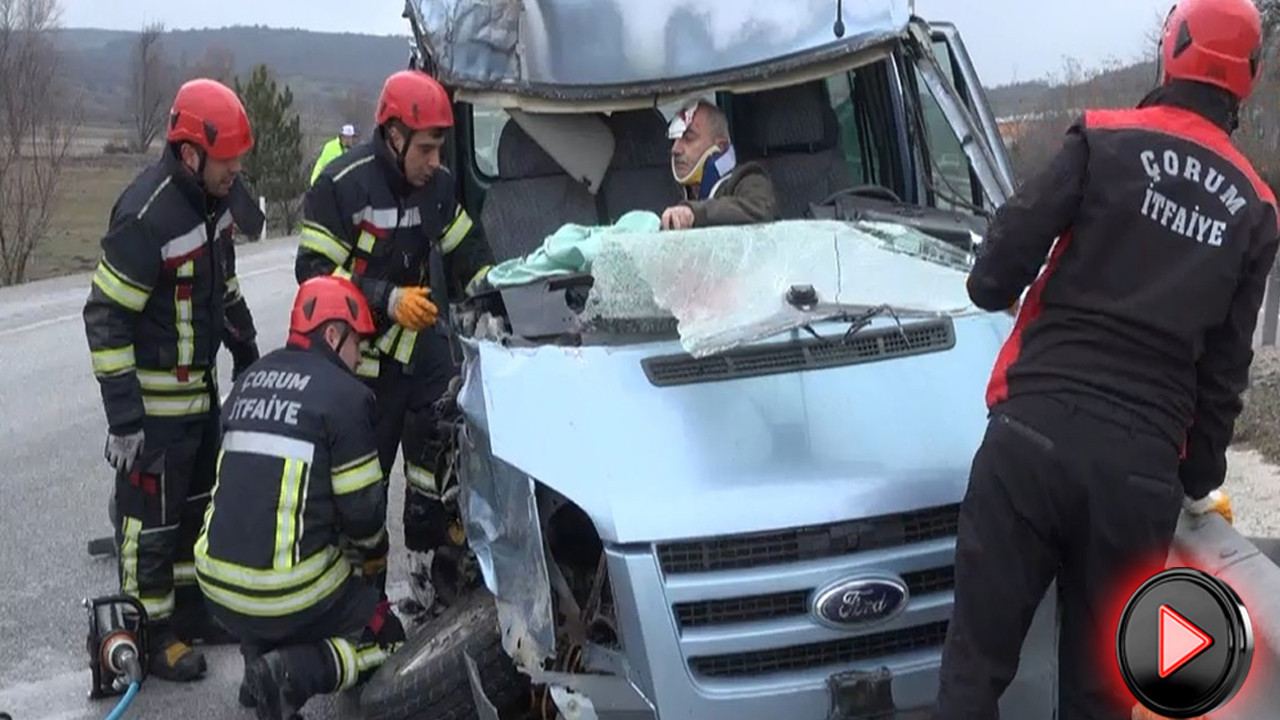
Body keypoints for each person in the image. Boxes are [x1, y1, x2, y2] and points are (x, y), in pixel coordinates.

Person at [931, 0, 1277, 718]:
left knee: (973, 673)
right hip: (1137, 478)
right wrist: (1196, 478)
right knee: (1098, 696)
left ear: (1169, 50)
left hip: (1027, 443)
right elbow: (1222, 376)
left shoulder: (1101, 140)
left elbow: (992, 274)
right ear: (1248, 75)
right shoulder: (1255, 207)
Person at [295, 69, 494, 622]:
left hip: (422, 350)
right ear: (394, 136)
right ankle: (364, 607)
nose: (435, 161)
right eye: (427, 148)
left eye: (439, 149)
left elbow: (465, 249)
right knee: (364, 485)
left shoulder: (438, 184)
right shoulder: (342, 184)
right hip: (363, 365)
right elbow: (311, 271)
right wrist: (384, 298)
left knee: (439, 457)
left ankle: (433, 571)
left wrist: (494, 289)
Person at [82, 77, 263, 682]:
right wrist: (125, 421)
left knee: (193, 514)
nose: (235, 169)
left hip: (198, 399)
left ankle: (187, 614)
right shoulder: (146, 215)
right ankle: (151, 634)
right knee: (149, 530)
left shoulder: (213, 206)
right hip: (154, 413)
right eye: (227, 159)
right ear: (191, 154)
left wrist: (247, 349)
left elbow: (222, 286)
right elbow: (105, 316)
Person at [194, 275, 404, 719]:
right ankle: (291, 672)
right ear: (332, 334)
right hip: (287, 592)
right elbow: (364, 516)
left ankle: (260, 663)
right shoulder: (346, 398)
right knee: (387, 638)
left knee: (276, 553)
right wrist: (373, 563)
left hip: (216, 586)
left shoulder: (247, 382)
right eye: (358, 345)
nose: (361, 358)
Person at [660, 99, 778, 230]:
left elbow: (761, 210)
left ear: (721, 147)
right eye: (674, 140)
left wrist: (695, 213)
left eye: (688, 138)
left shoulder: (748, 178)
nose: (675, 149)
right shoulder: (662, 187)